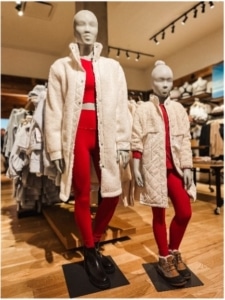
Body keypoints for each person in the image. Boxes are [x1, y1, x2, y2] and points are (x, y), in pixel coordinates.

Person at [45, 10, 131, 289]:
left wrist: (124, 141)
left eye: (91, 24)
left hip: (105, 134)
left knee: (113, 192)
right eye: (80, 24)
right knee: (82, 195)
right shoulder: (61, 67)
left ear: (98, 29)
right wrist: (56, 148)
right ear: (74, 29)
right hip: (77, 136)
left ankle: (94, 239)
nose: (86, 28)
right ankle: (90, 251)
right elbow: (53, 109)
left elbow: (121, 107)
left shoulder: (112, 67)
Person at [131, 60, 196, 287]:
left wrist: (187, 167)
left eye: (169, 79)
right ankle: (164, 257)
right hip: (154, 168)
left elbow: (185, 140)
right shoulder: (143, 109)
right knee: (158, 214)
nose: (165, 84)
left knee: (185, 212)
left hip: (176, 169)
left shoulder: (179, 109)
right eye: (161, 79)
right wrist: (136, 165)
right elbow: (136, 138)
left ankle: (174, 249)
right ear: (153, 81)